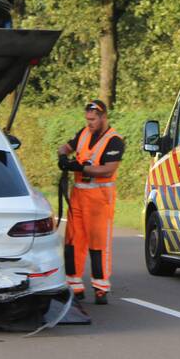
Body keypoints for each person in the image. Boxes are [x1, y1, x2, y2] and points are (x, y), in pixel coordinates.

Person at [57, 100, 124, 304]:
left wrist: (80, 168)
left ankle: (100, 287)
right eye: (87, 119)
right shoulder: (84, 133)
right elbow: (65, 147)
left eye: (93, 120)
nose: (90, 123)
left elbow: (108, 169)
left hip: (99, 201)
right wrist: (63, 158)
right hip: (78, 197)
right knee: (73, 241)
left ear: (104, 117)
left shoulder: (114, 141)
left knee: (98, 244)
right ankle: (74, 285)